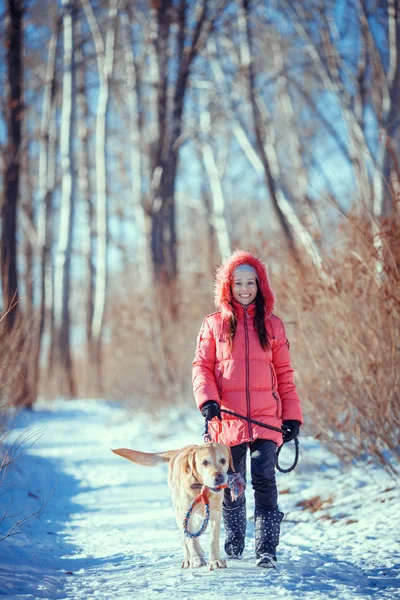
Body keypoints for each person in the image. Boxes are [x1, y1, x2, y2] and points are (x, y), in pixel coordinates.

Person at [192, 249, 303, 569]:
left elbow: (285, 374)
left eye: (250, 283)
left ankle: (267, 547)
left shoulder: (273, 326)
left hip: (268, 419)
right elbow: (201, 367)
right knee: (233, 481)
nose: (244, 289)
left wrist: (292, 415)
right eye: (238, 283)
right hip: (228, 418)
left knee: (265, 479)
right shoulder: (213, 325)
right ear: (228, 286)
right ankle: (236, 538)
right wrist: (207, 400)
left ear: (260, 286)